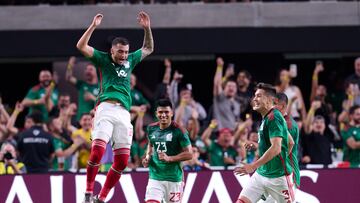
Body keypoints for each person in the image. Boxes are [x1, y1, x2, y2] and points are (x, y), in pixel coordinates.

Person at [77, 11, 153, 203]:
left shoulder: (130, 61)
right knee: (98, 152)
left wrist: (147, 28)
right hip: (106, 109)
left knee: (122, 161)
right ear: (112, 51)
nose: (124, 55)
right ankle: (87, 191)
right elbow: (81, 46)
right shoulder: (103, 59)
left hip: (124, 114)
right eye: (120, 51)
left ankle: (101, 198)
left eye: (126, 52)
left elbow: (148, 48)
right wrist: (93, 26)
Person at [234, 83, 294, 203]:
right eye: (255, 96)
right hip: (261, 174)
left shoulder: (274, 118)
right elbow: (290, 142)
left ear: (270, 100)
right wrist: (258, 146)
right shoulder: (267, 117)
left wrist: (253, 166)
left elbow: (276, 148)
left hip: (278, 178)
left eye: (259, 96)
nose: (254, 99)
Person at [142, 98, 192, 203]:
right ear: (156, 114)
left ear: (172, 113)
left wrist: (170, 158)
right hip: (155, 177)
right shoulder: (151, 128)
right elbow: (150, 144)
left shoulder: (180, 131)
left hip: (174, 179)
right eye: (160, 112)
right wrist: (147, 157)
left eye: (166, 112)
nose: (163, 115)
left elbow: (189, 154)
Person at [66, 57, 99, 121]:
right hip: (80, 120)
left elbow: (104, 103)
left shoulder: (101, 86)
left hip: (93, 119)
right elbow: (68, 78)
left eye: (90, 69)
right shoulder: (81, 84)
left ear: (96, 72)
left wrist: (92, 98)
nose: (87, 71)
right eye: (86, 69)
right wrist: (70, 65)